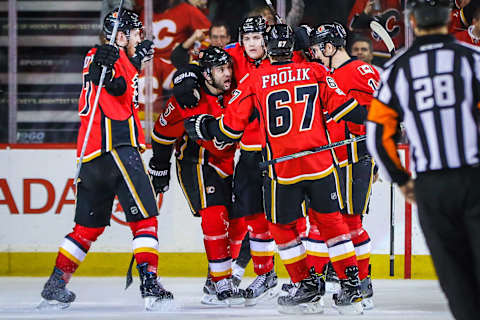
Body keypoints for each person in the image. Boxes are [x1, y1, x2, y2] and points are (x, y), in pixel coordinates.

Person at [184, 24, 366, 315]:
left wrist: (202, 126)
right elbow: (348, 110)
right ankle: (352, 287)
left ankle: (305, 284)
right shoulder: (316, 71)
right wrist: (385, 119)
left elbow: (229, 129)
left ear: (267, 47)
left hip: (284, 170)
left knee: (282, 228)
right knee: (333, 224)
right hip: (321, 166)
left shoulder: (256, 79)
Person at [39, 9, 173, 311]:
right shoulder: (105, 55)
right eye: (134, 32)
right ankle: (149, 281)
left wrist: (135, 59)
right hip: (116, 147)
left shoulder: (113, 56)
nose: (140, 36)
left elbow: (119, 79)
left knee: (87, 229)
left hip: (91, 155)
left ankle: (56, 282)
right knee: (145, 219)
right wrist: (121, 61)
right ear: (120, 36)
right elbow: (116, 85)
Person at [366, 1, 480, 319]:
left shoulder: (398, 69)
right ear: (448, 21)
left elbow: (377, 135)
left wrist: (400, 179)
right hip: (474, 177)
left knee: (455, 277)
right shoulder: (472, 58)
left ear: (413, 22)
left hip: (432, 187)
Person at [148, 46, 246, 306]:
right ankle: (222, 282)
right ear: (205, 74)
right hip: (196, 162)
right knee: (215, 217)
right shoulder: (186, 97)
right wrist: (159, 167)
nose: (227, 74)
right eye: (220, 70)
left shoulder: (235, 90)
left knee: (239, 221)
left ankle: (214, 280)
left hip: (228, 162)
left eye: (228, 68)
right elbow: (161, 133)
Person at [308, 22, 380, 310]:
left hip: (352, 156)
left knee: (349, 224)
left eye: (316, 49)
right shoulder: (342, 73)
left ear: (329, 47)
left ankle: (360, 286)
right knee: (323, 222)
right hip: (335, 158)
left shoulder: (354, 72)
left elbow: (374, 115)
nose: (313, 54)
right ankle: (318, 282)